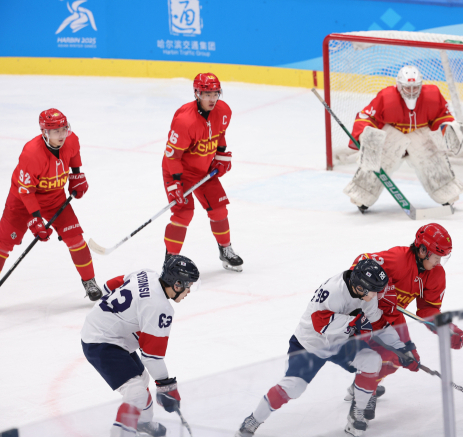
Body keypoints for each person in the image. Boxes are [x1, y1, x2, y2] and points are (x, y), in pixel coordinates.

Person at [235, 259, 419, 437]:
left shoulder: (367, 295)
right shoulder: (334, 291)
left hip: (341, 343)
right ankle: (253, 420)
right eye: (373, 291)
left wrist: (401, 348)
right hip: (310, 345)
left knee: (372, 360)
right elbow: (319, 323)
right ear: (360, 286)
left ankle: (357, 414)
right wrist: (353, 322)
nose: (376, 296)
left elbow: (378, 323)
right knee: (293, 387)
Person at [344, 223, 463, 419]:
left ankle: (364, 383)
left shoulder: (436, 274)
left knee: (407, 358)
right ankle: (364, 394)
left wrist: (445, 328)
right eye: (436, 255)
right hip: (365, 315)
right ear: (423, 250)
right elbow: (361, 262)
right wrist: (376, 290)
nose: (438, 261)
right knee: (381, 355)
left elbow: (427, 309)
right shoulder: (398, 259)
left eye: (442, 256)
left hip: (392, 318)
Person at [81, 255, 200, 437]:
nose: (189, 291)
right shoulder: (160, 308)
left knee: (141, 380)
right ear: (177, 285)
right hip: (101, 340)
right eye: (188, 286)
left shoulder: (147, 274)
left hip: (110, 333)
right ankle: (121, 433)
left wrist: (105, 313)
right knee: (135, 391)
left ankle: (142, 423)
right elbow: (151, 356)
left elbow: (111, 284)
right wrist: (166, 386)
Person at [0, 109, 101, 299]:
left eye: (64, 129)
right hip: (22, 201)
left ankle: (89, 282)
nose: (62, 135)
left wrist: (76, 174)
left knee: (75, 237)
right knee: (3, 243)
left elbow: (74, 155)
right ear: (44, 132)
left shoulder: (71, 139)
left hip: (54, 198)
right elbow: (26, 191)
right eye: (56, 131)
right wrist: (35, 220)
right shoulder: (31, 153)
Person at [343, 65, 463, 214]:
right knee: (377, 155)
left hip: (420, 135)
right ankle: (362, 196)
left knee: (432, 157)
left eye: (415, 87)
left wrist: (447, 127)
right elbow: (367, 117)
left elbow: (442, 115)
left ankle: (446, 194)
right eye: (408, 88)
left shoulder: (432, 95)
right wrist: (364, 134)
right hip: (392, 135)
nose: (412, 91)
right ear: (399, 86)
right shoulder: (386, 97)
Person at [162, 72, 243, 272]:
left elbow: (220, 135)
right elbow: (173, 156)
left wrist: (221, 156)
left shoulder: (224, 111)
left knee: (219, 209)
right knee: (183, 213)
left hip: (205, 170)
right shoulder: (185, 120)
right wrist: (175, 184)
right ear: (197, 93)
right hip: (180, 171)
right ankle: (170, 260)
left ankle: (225, 249)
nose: (213, 99)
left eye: (216, 93)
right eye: (207, 94)